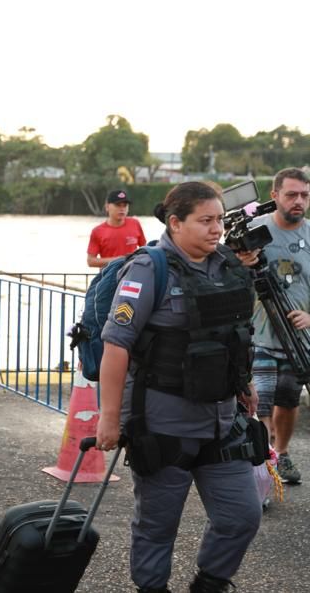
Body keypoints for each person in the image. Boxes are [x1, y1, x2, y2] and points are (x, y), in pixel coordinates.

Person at [95, 181, 262, 593]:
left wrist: (246, 383)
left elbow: (235, 334)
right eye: (205, 221)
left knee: (242, 515)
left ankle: (210, 583)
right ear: (175, 223)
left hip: (223, 421)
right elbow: (115, 347)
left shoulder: (227, 265)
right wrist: (109, 420)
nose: (216, 228)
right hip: (164, 424)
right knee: (157, 527)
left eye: (219, 219)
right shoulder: (149, 269)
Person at [250, 167, 310, 485]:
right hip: (258, 334)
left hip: (300, 340)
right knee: (261, 398)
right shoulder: (253, 231)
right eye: (291, 194)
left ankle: (282, 453)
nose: (299, 201)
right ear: (274, 196)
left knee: (288, 400)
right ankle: (263, 460)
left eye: (305, 195)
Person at [87, 189, 147, 268]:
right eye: (118, 205)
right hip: (108, 277)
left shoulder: (135, 223)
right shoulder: (97, 231)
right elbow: (91, 261)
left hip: (132, 275)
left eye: (125, 205)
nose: (122, 209)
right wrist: (118, 260)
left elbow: (145, 249)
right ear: (107, 207)